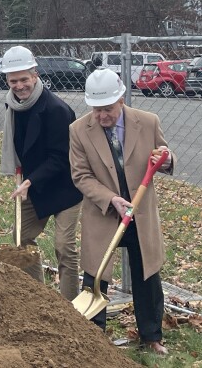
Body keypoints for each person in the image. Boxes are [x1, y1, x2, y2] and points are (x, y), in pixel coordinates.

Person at [70, 69, 176, 356]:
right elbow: (81, 175)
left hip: (140, 215)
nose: (102, 115)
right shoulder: (79, 130)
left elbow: (164, 154)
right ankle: (94, 337)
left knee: (147, 275)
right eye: (96, 109)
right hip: (105, 213)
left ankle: (151, 336)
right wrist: (111, 199)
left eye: (107, 109)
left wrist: (164, 160)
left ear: (121, 99)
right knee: (96, 274)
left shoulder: (148, 122)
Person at [0, 45, 82, 300]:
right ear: (7, 80)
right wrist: (27, 180)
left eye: (24, 79)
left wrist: (30, 181)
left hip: (64, 187)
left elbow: (60, 157)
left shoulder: (57, 109)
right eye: (14, 80)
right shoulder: (13, 106)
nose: (20, 85)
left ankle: (69, 307)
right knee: (20, 239)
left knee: (64, 248)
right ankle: (38, 297)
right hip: (33, 186)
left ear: (35, 74)